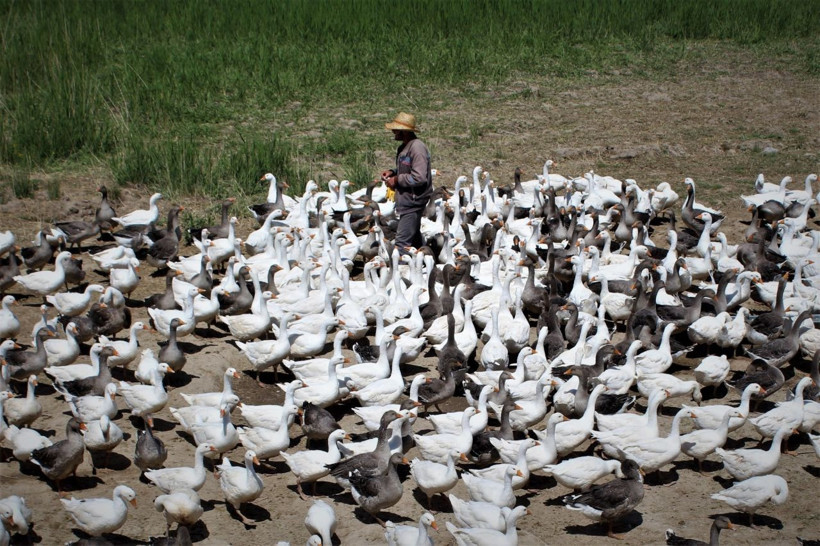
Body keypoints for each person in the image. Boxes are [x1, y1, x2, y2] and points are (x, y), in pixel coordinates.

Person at [379, 112, 433, 255]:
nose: (393, 132)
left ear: (404, 131)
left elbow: (419, 177)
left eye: (396, 129)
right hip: (407, 200)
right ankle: (424, 262)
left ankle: (402, 266)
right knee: (414, 239)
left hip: (414, 201)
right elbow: (408, 169)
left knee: (402, 244)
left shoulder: (417, 148)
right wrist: (393, 172)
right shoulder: (404, 147)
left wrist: (396, 180)